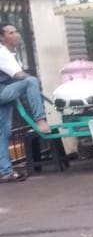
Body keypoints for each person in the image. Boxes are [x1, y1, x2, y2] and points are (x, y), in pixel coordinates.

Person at [0, 24, 50, 183]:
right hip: (2, 92)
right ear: (2, 38)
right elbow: (19, 75)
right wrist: (33, 85)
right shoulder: (3, 52)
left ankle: (5, 171)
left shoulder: (12, 53)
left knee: (3, 133)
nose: (17, 35)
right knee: (31, 81)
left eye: (16, 31)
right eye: (11, 33)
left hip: (4, 93)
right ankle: (40, 119)